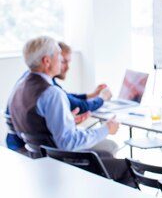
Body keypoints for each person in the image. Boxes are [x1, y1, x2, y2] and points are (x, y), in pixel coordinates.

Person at [7, 36, 134, 186]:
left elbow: (34, 124)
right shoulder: (52, 93)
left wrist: (67, 120)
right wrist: (106, 129)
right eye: (59, 55)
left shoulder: (20, 85)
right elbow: (68, 143)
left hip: (39, 157)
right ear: (47, 61)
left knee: (106, 153)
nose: (62, 60)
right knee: (129, 169)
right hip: (60, 162)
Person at [55, 41, 112, 113]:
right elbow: (81, 106)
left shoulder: (50, 82)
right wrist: (102, 98)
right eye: (63, 62)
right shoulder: (51, 88)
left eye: (68, 62)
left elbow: (67, 96)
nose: (68, 67)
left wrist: (91, 95)